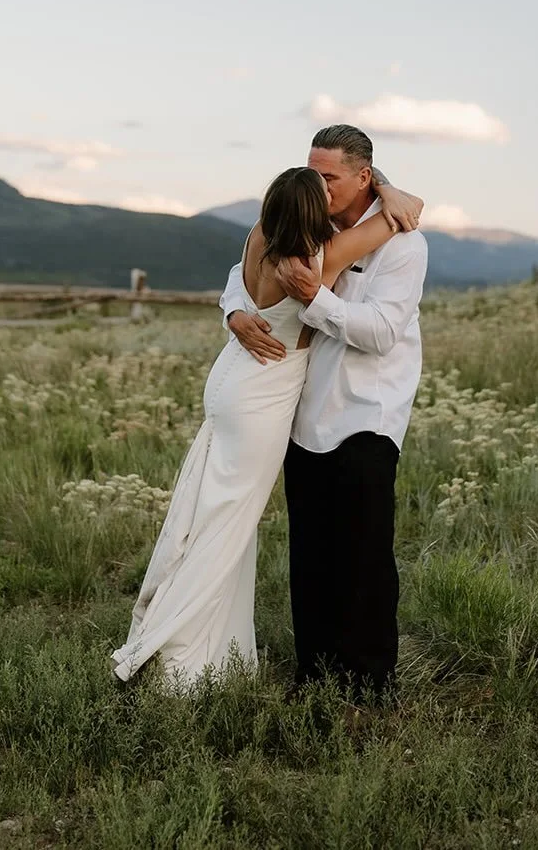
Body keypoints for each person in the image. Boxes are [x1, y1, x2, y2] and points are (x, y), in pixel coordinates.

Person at [111, 164, 420, 688]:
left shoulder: (260, 237)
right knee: (226, 525)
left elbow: (236, 281)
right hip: (260, 398)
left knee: (207, 510)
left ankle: (197, 642)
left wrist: (234, 312)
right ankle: (176, 658)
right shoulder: (313, 263)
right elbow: (399, 219)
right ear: (312, 212)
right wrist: (387, 190)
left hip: (233, 378)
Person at [222, 124, 428, 700]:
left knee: (363, 557)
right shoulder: (309, 226)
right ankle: (313, 676)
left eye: (329, 176)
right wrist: (233, 314)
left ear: (364, 177)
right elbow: (243, 275)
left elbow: (384, 333)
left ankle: (368, 687)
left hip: (367, 414)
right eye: (311, 172)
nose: (317, 184)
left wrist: (316, 299)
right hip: (302, 413)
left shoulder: (403, 243)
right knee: (309, 555)